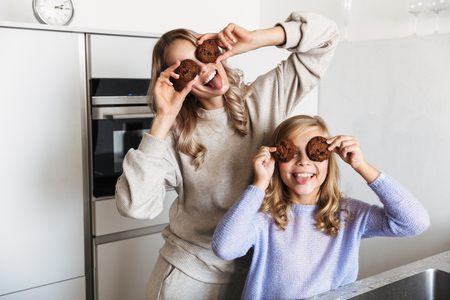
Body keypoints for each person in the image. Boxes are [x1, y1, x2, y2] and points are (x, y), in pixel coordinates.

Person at [116, 11, 339, 300]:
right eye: (187, 67)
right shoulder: (174, 137)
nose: (204, 69)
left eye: (202, 55)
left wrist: (256, 39)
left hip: (254, 276)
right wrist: (163, 118)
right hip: (190, 279)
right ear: (176, 81)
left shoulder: (263, 98)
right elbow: (135, 207)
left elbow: (327, 38)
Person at [211, 115, 430, 299]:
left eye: (313, 152)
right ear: (276, 159)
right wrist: (260, 183)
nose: (304, 162)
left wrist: (361, 165)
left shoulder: (348, 215)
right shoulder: (263, 217)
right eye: (292, 153)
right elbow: (225, 248)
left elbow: (415, 222)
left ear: (329, 160)